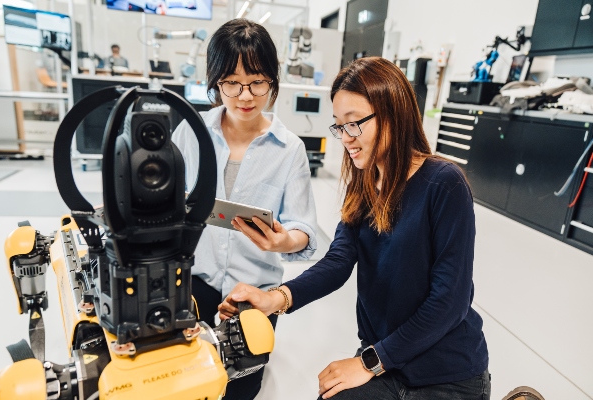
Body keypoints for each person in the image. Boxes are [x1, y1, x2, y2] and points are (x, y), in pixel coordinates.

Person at [218, 57, 491, 400]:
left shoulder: (444, 184)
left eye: (354, 123)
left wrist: (368, 363)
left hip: (447, 371)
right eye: (338, 125)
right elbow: (338, 262)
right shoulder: (362, 187)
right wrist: (275, 298)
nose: (345, 137)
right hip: (388, 365)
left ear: (393, 114)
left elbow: (450, 302)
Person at [171, 19, 318, 400]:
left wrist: (282, 241)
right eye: (231, 82)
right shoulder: (191, 132)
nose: (245, 95)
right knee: (184, 380)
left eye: (257, 81)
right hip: (192, 281)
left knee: (240, 387)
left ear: (273, 79)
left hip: (255, 292)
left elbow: (305, 230)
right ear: (215, 81)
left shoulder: (289, 150)